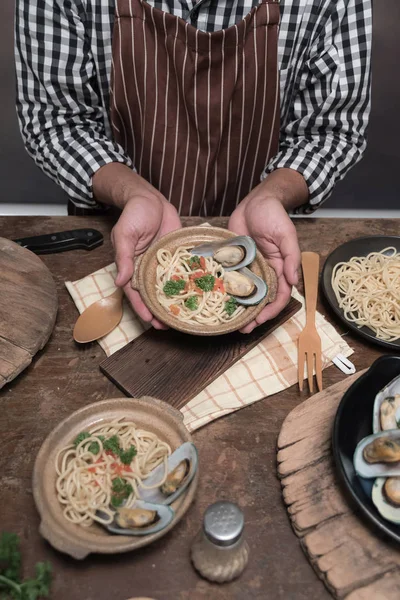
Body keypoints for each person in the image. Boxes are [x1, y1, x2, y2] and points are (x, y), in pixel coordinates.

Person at [15, 0, 371, 332]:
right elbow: (56, 122)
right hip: (111, 231)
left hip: (257, 232)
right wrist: (133, 193)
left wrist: (272, 196)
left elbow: (331, 132)